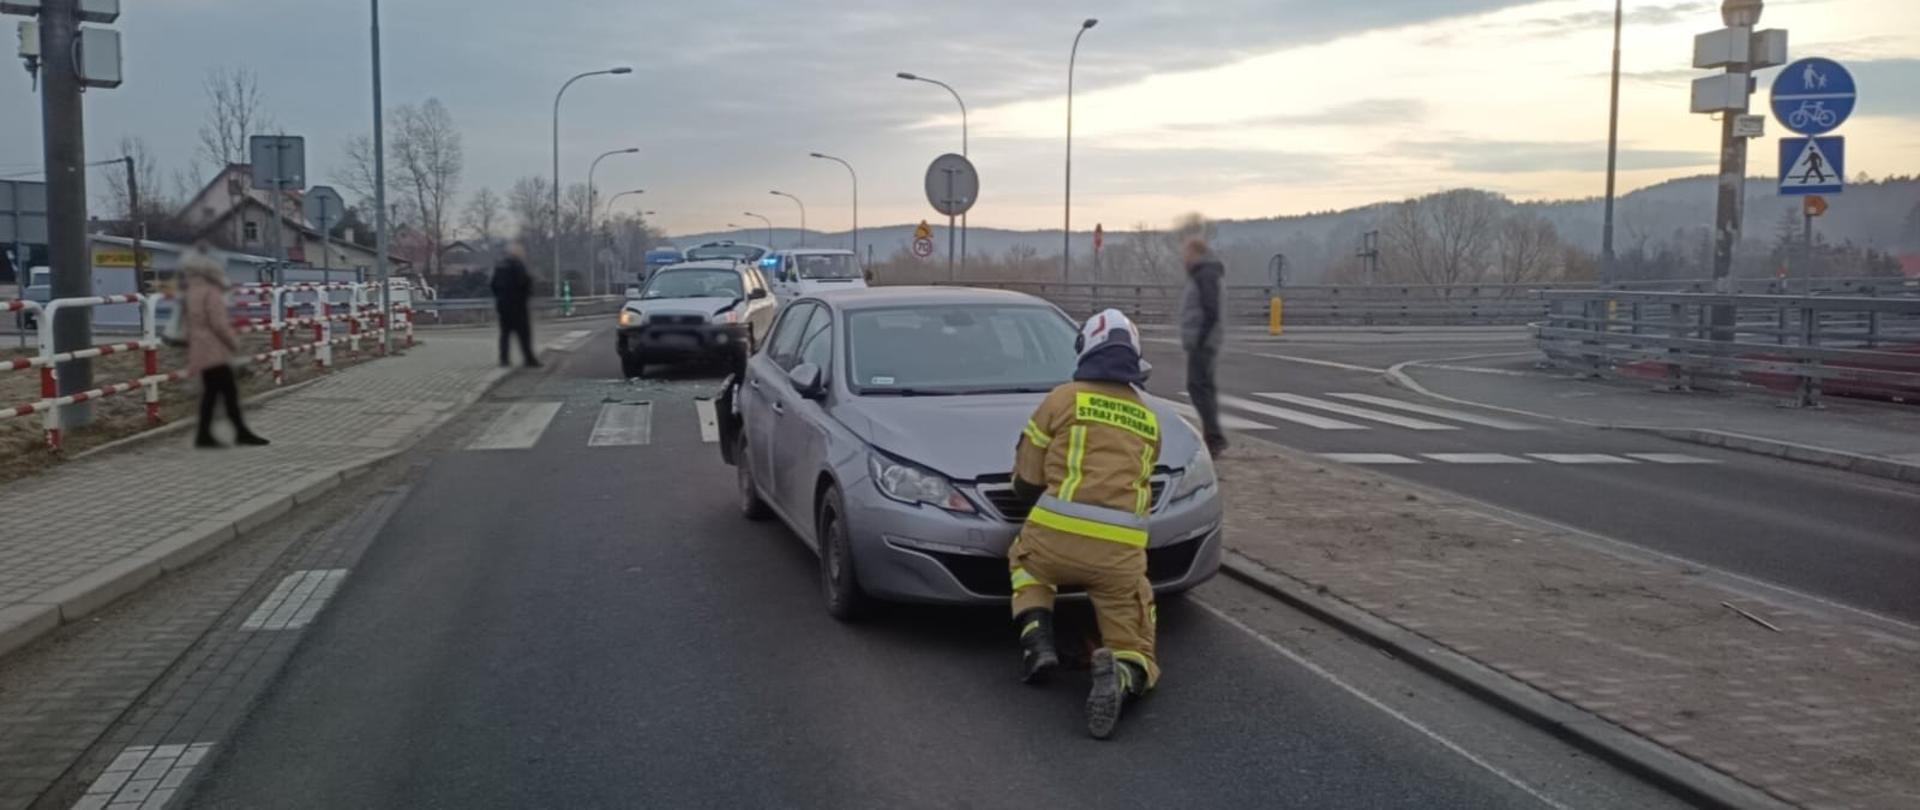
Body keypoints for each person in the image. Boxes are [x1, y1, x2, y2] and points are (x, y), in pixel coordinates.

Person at [1007, 308, 1163, 740]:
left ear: (1085, 348)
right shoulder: (1148, 418)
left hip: (1052, 542)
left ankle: (1038, 639)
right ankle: (1125, 675)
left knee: (1024, 562)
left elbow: (1027, 479)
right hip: (1117, 558)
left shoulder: (1062, 398)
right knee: (1136, 643)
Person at [182, 242, 268, 449]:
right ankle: (240, 433)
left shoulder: (192, 291)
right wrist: (233, 342)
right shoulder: (212, 293)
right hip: (214, 349)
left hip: (199, 348)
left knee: (212, 393)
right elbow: (219, 324)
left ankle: (206, 434)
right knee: (228, 392)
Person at [1180, 235, 1227, 458]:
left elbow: (1210, 309)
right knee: (1203, 387)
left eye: (1187, 253)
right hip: (1202, 340)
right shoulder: (1203, 275)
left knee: (1198, 386)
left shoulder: (1204, 275)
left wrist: (1200, 338)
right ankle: (1213, 435)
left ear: (1196, 254)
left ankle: (1214, 438)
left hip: (1202, 341)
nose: (1184, 258)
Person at [491, 241, 538, 367]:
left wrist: (500, 298)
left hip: (503, 305)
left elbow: (493, 285)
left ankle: (504, 359)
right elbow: (523, 283)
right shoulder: (518, 265)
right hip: (518, 306)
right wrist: (527, 293)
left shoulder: (499, 266)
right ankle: (529, 359)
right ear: (516, 252)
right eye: (521, 251)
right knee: (524, 334)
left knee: (505, 334)